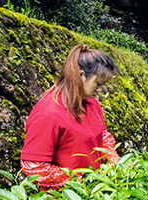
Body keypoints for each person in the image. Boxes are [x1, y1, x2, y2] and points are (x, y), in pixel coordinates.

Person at [21, 44, 118, 190]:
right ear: (80, 75)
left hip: (95, 192)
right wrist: (79, 182)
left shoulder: (91, 103)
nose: (100, 90)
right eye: (98, 84)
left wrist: (113, 162)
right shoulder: (48, 113)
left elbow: (102, 135)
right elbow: (33, 166)